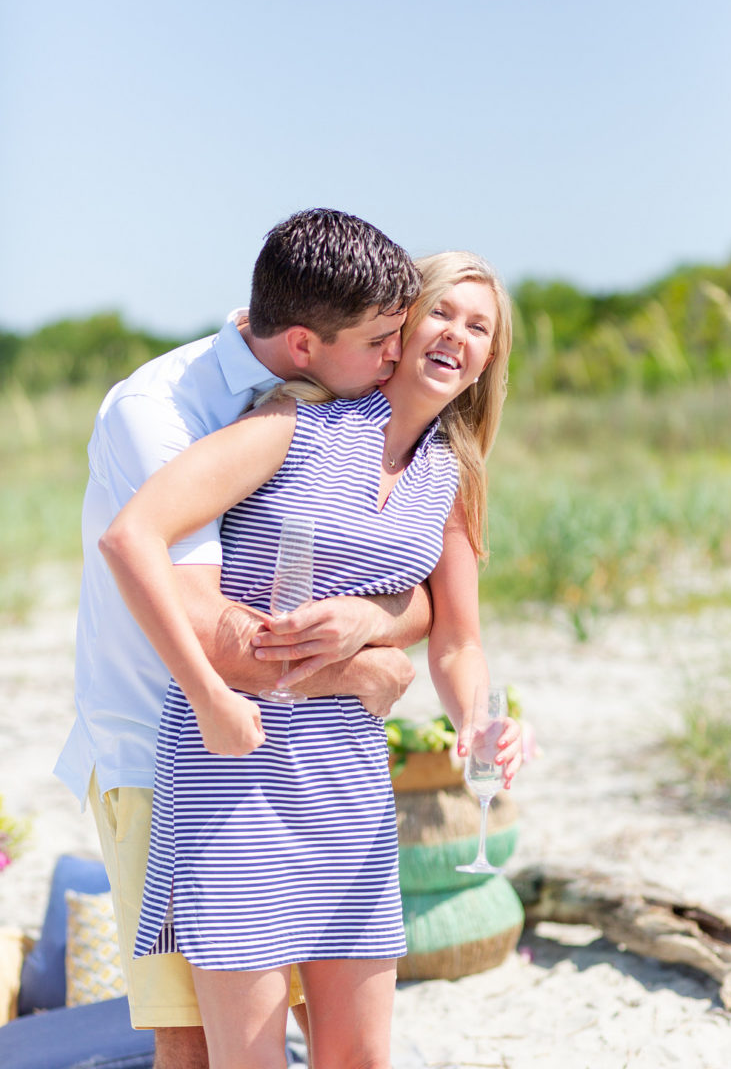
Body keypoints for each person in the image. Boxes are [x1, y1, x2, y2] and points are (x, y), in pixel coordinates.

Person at [100, 251, 523, 1069]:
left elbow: (459, 640)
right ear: (400, 329)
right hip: (235, 781)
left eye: (480, 330)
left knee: (359, 1060)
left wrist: (476, 718)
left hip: (349, 785)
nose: (457, 337)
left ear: (487, 365)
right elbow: (133, 536)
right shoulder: (289, 424)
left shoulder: (450, 479)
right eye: (443, 314)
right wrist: (209, 696)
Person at [54, 208, 434, 1069]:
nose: (394, 358)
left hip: (293, 756)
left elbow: (408, 588)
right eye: (382, 339)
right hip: (163, 751)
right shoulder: (158, 415)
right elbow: (215, 635)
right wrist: (365, 667)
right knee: (193, 1042)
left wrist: (377, 623)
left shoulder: (341, 402)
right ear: (302, 343)